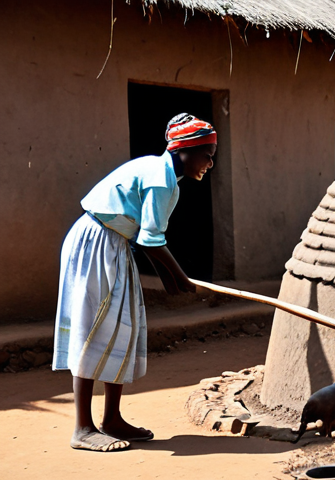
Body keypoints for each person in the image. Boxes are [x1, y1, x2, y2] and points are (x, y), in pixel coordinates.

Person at [53, 113, 217, 451]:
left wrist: (171, 281)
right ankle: (83, 428)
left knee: (121, 330)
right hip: (97, 243)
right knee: (94, 328)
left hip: (113, 244)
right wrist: (181, 278)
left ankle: (111, 419)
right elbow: (150, 240)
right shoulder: (163, 181)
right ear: (185, 151)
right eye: (207, 154)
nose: (210, 163)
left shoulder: (161, 173)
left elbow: (145, 238)